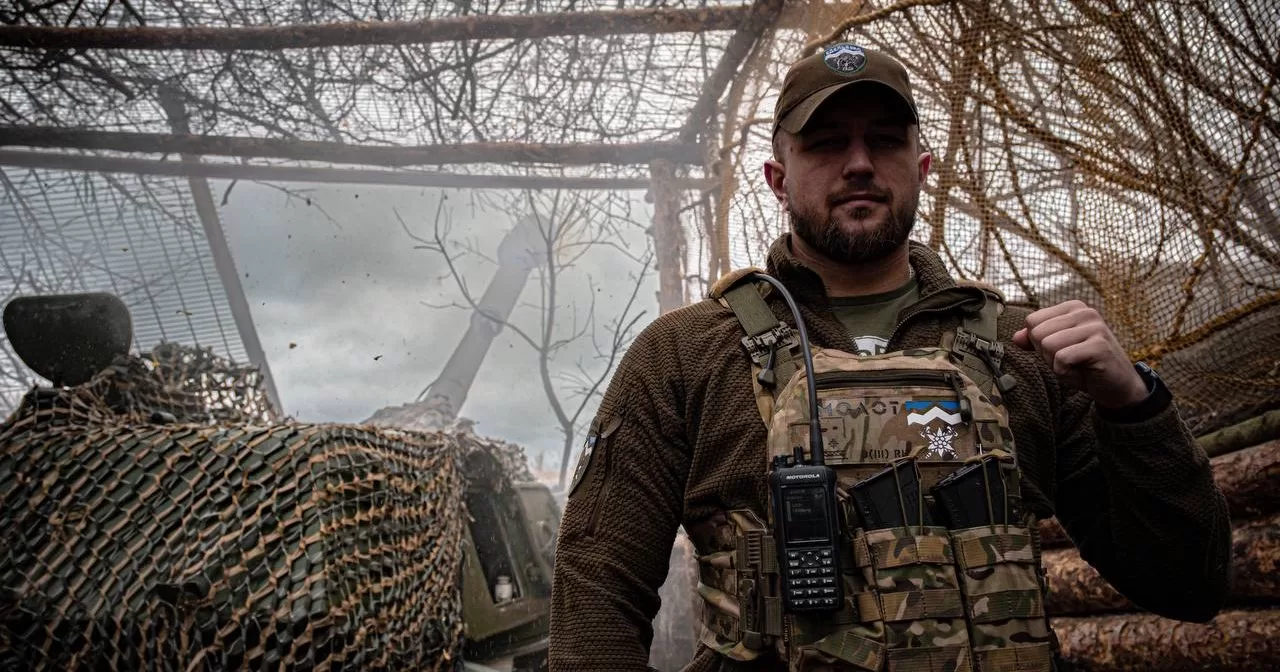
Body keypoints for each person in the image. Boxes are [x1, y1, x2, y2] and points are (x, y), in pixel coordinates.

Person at [548, 44, 1230, 672]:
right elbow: (596, 599)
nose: (859, 163)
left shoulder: (1027, 349)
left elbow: (1188, 585)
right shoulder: (687, 353)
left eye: (883, 139)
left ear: (921, 168)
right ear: (778, 180)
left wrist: (1134, 409)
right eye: (826, 144)